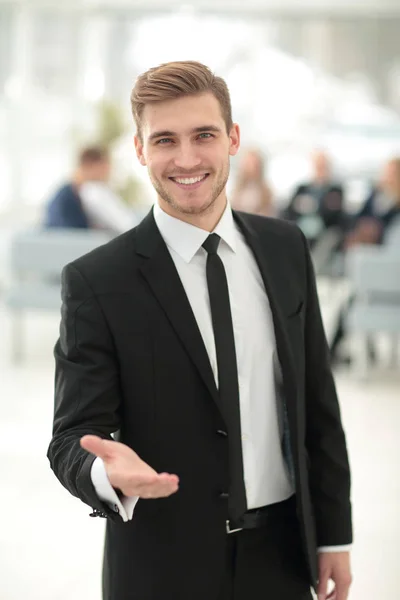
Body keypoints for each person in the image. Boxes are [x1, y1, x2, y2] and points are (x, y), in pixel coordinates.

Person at [47, 61, 352, 600]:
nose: (186, 159)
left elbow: (316, 403)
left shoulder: (284, 248)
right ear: (140, 150)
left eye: (203, 135)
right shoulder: (97, 281)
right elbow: (72, 436)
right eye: (164, 140)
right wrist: (104, 472)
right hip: (162, 565)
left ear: (232, 139)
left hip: (281, 555)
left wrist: (333, 537)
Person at [43, 145, 138, 234]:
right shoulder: (89, 193)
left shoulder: (71, 192)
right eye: (105, 168)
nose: (108, 173)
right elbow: (125, 225)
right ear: (92, 165)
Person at [282, 150, 346, 247]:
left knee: (331, 237)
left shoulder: (335, 190)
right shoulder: (302, 188)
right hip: (300, 227)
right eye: (318, 166)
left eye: (323, 166)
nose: (320, 169)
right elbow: (289, 209)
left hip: (323, 230)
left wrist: (315, 206)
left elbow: (334, 214)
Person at [345, 157, 400, 248]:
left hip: (383, 236)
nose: (388, 175)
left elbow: (392, 222)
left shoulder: (397, 200)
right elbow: (361, 213)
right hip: (364, 231)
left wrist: (376, 227)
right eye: (387, 172)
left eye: (392, 172)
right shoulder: (376, 193)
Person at [231, 148, 275, 216]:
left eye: (253, 164)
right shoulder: (236, 189)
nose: (250, 167)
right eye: (248, 164)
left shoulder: (266, 191)